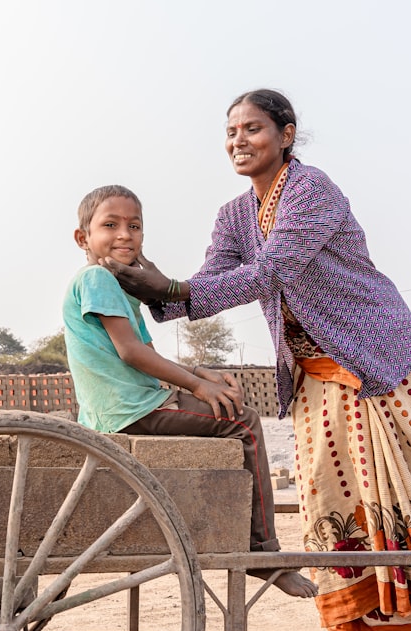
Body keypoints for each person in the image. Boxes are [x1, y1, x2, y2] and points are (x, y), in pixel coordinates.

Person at [103, 90, 411, 631]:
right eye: (230, 131)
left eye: (253, 129)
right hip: (313, 378)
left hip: (381, 366)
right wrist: (156, 290)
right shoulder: (234, 215)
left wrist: (175, 292)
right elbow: (215, 277)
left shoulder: (312, 190)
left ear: (286, 135)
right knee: (334, 505)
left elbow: (274, 268)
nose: (238, 140)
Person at [62, 183, 318, 599]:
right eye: (110, 225)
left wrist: (202, 371)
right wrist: (197, 383)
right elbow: (131, 354)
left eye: (134, 226)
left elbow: (146, 351)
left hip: (124, 406)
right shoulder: (96, 278)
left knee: (229, 403)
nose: (125, 235)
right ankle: (264, 553)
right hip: (131, 409)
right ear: (83, 238)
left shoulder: (118, 287)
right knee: (247, 424)